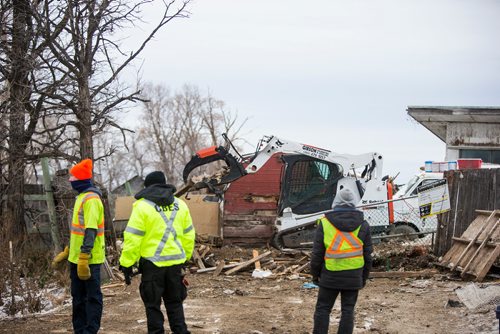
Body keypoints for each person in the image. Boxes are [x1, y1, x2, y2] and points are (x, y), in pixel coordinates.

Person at [119, 171, 195, 334]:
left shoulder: (142, 206)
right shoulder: (180, 205)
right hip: (175, 265)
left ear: (147, 187)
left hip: (152, 266)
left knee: (152, 306)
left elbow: (133, 238)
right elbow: (189, 234)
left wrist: (126, 263)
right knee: (175, 304)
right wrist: (186, 257)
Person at [53, 158, 105, 334]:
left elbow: (90, 230)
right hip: (76, 258)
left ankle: (90, 331)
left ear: (81, 180)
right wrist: (68, 251)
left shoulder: (91, 199)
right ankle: (80, 330)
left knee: (92, 297)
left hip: (88, 259)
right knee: (78, 298)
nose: (70, 181)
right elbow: (79, 231)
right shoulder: (81, 197)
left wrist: (84, 256)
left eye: (73, 178)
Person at [310, 187, 373, 334]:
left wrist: (315, 274)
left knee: (323, 309)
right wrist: (363, 278)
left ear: (335, 202)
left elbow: (317, 254)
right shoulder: (364, 224)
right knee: (348, 311)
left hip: (330, 276)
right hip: (353, 276)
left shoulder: (325, 223)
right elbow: (368, 256)